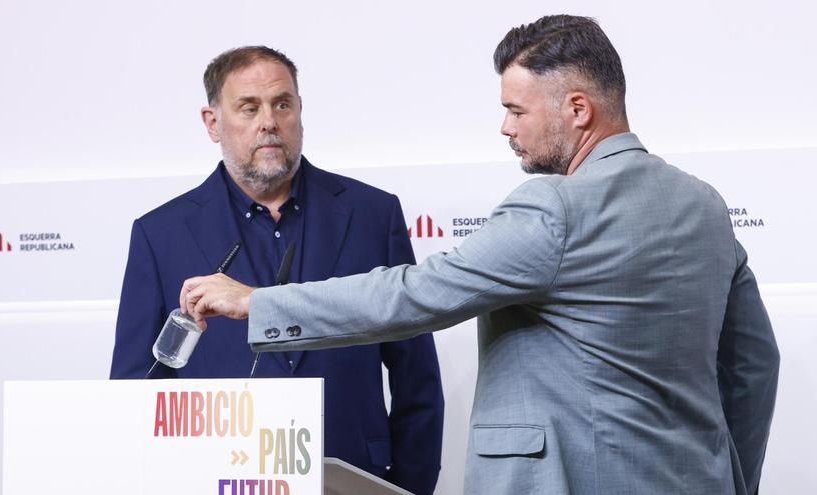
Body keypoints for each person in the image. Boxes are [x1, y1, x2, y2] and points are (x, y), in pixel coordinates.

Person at [178, 16, 781, 495]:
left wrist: (259, 302)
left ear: (578, 110)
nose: (505, 127)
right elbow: (754, 364)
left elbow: (413, 294)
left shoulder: (555, 209)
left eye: (516, 110)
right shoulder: (704, 205)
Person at [109, 46, 444, 495]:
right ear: (212, 122)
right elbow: (136, 391)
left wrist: (406, 489)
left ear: (300, 111)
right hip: (214, 481)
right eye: (249, 108)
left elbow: (416, 376)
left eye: (282, 104)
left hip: (354, 477)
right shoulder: (160, 234)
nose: (269, 121)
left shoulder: (373, 214)